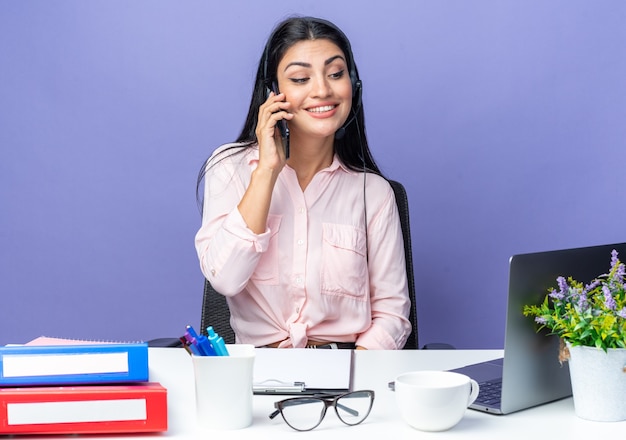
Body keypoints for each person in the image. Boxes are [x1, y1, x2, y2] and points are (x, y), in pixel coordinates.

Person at [194, 16, 411, 350]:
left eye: (336, 74)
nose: (322, 90)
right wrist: (266, 171)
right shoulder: (231, 168)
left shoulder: (374, 194)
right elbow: (225, 278)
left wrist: (351, 382)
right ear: (273, 93)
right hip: (258, 375)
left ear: (353, 84)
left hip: (347, 375)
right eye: (300, 78)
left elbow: (392, 313)